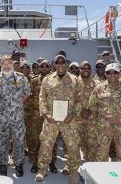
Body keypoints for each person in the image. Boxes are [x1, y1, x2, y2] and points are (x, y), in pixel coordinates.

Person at [36, 55, 82, 184]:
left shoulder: (75, 80)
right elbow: (42, 98)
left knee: (72, 146)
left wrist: (72, 114)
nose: (60, 65)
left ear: (66, 64)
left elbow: (79, 100)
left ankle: (73, 171)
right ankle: (42, 169)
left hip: (69, 119)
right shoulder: (47, 79)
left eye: (63, 63)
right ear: (54, 64)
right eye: (58, 63)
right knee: (46, 145)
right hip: (51, 118)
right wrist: (46, 114)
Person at [0, 55, 31, 177]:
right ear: (1, 65)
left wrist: (17, 103)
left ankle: (18, 165)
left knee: (18, 141)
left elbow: (27, 93)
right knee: (2, 142)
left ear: (12, 64)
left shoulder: (21, 78)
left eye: (9, 63)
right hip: (1, 118)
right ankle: (2, 165)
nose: (6, 65)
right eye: (4, 63)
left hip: (17, 117)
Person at [89, 63, 121, 161]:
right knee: (102, 154)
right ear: (105, 74)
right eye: (109, 73)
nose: (112, 75)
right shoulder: (99, 88)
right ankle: (102, 175)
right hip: (104, 127)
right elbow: (92, 104)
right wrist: (100, 118)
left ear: (119, 74)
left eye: (115, 72)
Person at [28, 60, 58, 174]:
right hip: (36, 116)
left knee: (51, 140)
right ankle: (35, 163)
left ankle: (51, 162)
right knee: (35, 140)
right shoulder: (34, 80)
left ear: (50, 67)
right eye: (42, 66)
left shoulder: (55, 79)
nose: (44, 68)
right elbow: (30, 97)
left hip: (51, 116)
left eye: (47, 66)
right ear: (39, 68)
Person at [77, 61, 96, 161]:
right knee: (81, 141)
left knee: (92, 141)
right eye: (83, 68)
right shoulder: (75, 82)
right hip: (78, 117)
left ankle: (91, 160)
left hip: (91, 117)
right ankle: (85, 157)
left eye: (88, 68)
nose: (86, 70)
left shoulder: (95, 83)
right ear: (80, 69)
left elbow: (98, 100)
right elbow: (72, 99)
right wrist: (80, 110)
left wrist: (90, 110)